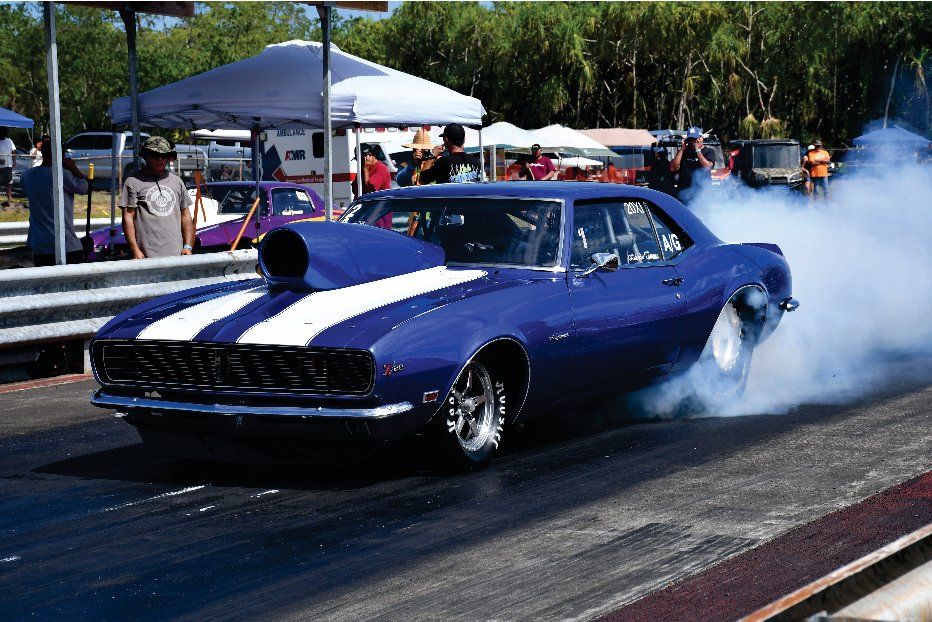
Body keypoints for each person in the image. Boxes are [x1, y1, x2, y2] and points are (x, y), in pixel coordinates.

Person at [119, 136, 194, 259]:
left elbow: (185, 216)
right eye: (154, 155)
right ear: (145, 156)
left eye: (163, 155)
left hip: (178, 255)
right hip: (146, 256)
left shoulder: (177, 181)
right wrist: (134, 249)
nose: (159, 159)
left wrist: (188, 246)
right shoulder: (133, 182)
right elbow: (128, 217)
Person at [20, 138, 89, 266]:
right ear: (62, 155)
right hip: (65, 244)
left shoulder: (27, 175)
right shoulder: (62, 175)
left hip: (38, 244)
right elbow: (85, 187)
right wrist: (73, 168)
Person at [670, 126, 714, 203]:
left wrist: (698, 150)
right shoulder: (683, 152)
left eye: (694, 139)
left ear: (701, 139)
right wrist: (682, 149)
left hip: (701, 192)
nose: (692, 142)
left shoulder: (709, 151)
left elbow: (707, 167)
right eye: (690, 139)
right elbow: (673, 168)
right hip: (684, 191)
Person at [0, 127, 16, 208]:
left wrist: (14, 161)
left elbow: (13, 151)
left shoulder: (9, 140)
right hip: (0, 166)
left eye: (4, 132)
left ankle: (9, 197)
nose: (3, 134)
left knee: (8, 182)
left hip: (8, 165)